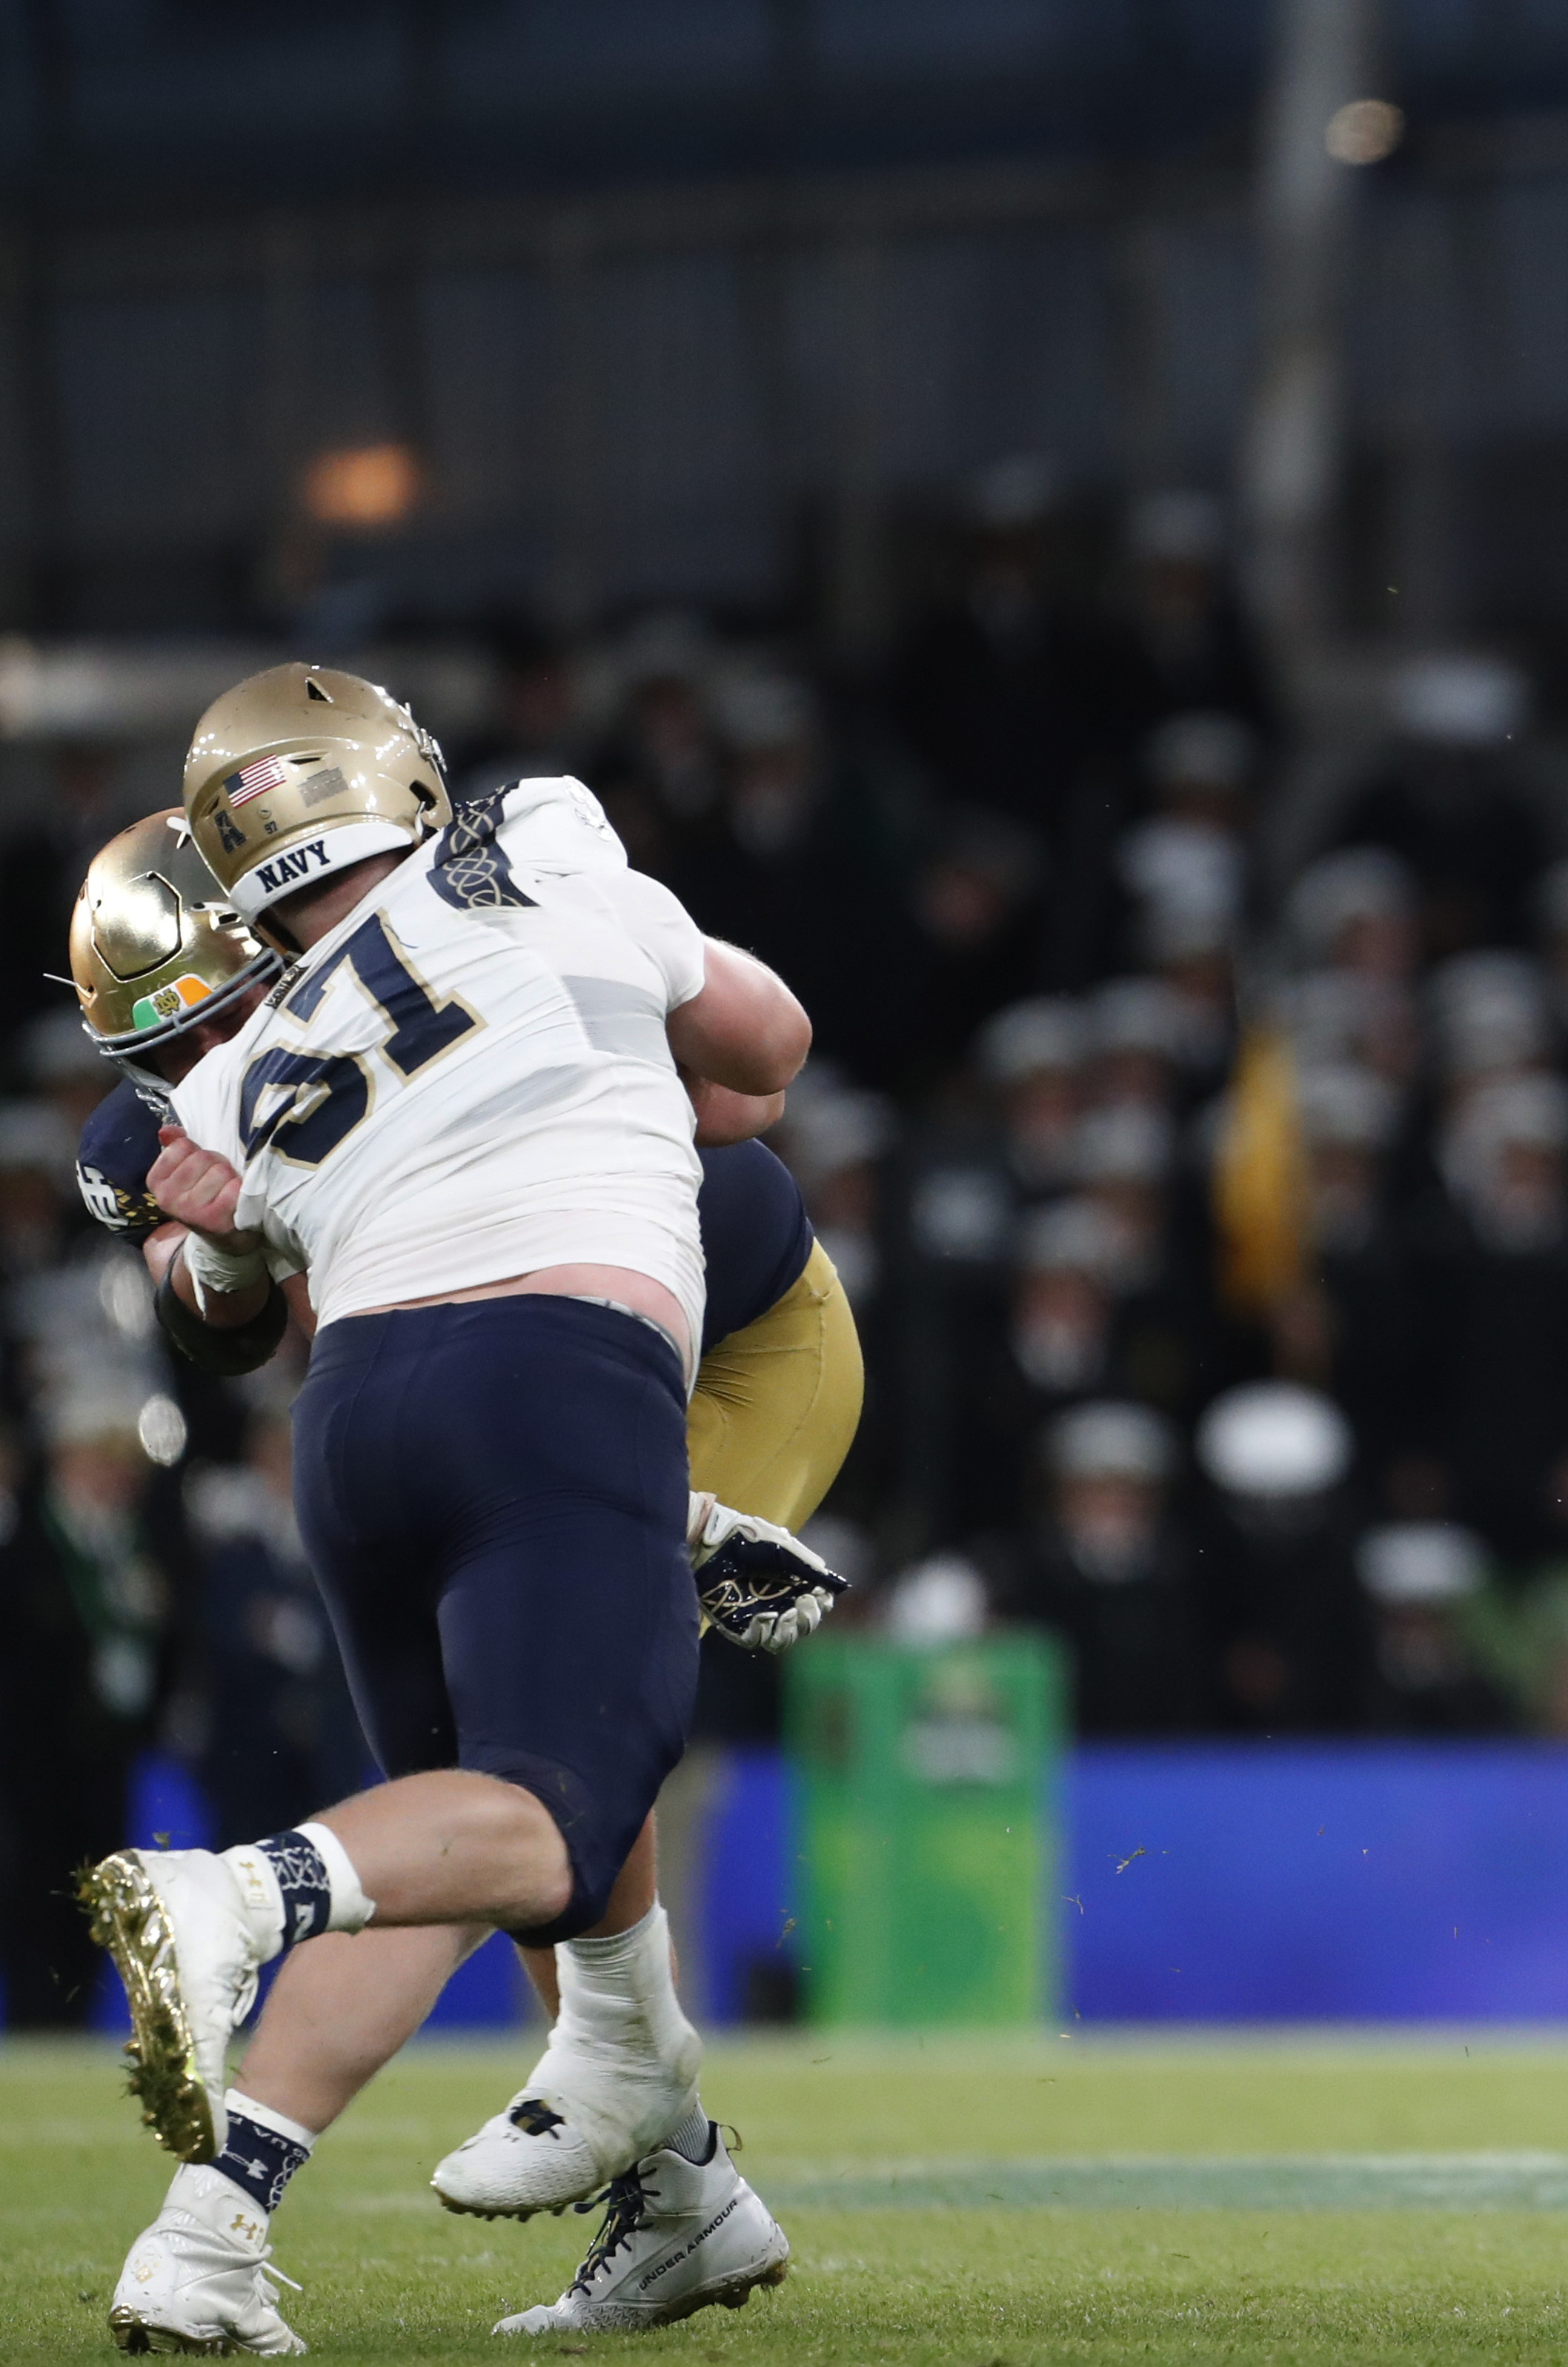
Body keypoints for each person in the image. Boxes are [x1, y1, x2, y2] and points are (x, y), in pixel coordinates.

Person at [67, 668, 827, 2354]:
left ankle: (238, 2186)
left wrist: (209, 1199)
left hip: (736, 1332)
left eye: (209, 1020)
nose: (201, 1056)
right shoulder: (266, 1052)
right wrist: (208, 1211)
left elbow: (750, 1110)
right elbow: (222, 1299)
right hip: (517, 1368)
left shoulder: (510, 871)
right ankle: (665, 2182)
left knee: (512, 1807)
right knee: (498, 1815)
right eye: (167, 1048)